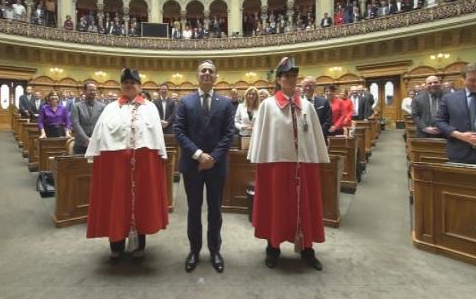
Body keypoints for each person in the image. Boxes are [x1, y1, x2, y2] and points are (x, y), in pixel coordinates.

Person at [247, 57, 329, 270]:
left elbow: (314, 137)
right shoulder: (267, 105)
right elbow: (262, 137)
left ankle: (307, 249)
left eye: (294, 76)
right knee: (276, 205)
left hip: (303, 165)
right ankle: (273, 248)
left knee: (305, 206)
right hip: (275, 165)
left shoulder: (308, 107)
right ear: (279, 80)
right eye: (286, 76)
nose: (291, 80)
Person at [85, 68, 168, 263]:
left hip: (143, 165)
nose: (129, 85)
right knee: (116, 203)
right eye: (125, 83)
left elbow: (157, 137)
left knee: (142, 203)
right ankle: (116, 245)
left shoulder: (150, 108)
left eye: (133, 82)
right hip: (115, 168)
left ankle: (139, 244)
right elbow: (99, 136)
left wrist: (160, 157)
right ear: (121, 86)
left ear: (139, 87)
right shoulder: (110, 108)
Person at [173, 59, 235, 274]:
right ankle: (194, 250)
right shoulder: (185, 102)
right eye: (203, 71)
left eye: (210, 71)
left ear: (216, 76)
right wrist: (199, 155)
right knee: (193, 210)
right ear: (197, 76)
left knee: (215, 211)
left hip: (216, 167)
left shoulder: (226, 103)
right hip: (192, 165)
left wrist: (212, 158)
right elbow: (179, 131)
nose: (207, 73)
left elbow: (229, 134)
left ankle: (215, 250)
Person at [71, 83, 105, 154]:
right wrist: (86, 139)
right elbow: (76, 124)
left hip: (97, 142)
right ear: (84, 91)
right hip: (81, 143)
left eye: (94, 90)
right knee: (79, 164)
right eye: (90, 90)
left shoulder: (102, 106)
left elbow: (103, 124)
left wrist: (94, 139)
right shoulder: (76, 106)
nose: (92, 92)